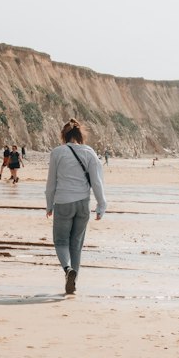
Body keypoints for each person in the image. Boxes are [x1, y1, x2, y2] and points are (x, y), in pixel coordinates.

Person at [45, 118, 106, 295]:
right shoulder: (89, 152)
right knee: (76, 245)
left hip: (63, 202)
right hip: (83, 204)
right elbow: (97, 182)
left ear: (64, 135)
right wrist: (101, 205)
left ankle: (67, 270)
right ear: (80, 135)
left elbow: (51, 183)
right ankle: (73, 283)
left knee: (61, 241)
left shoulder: (57, 153)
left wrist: (49, 205)